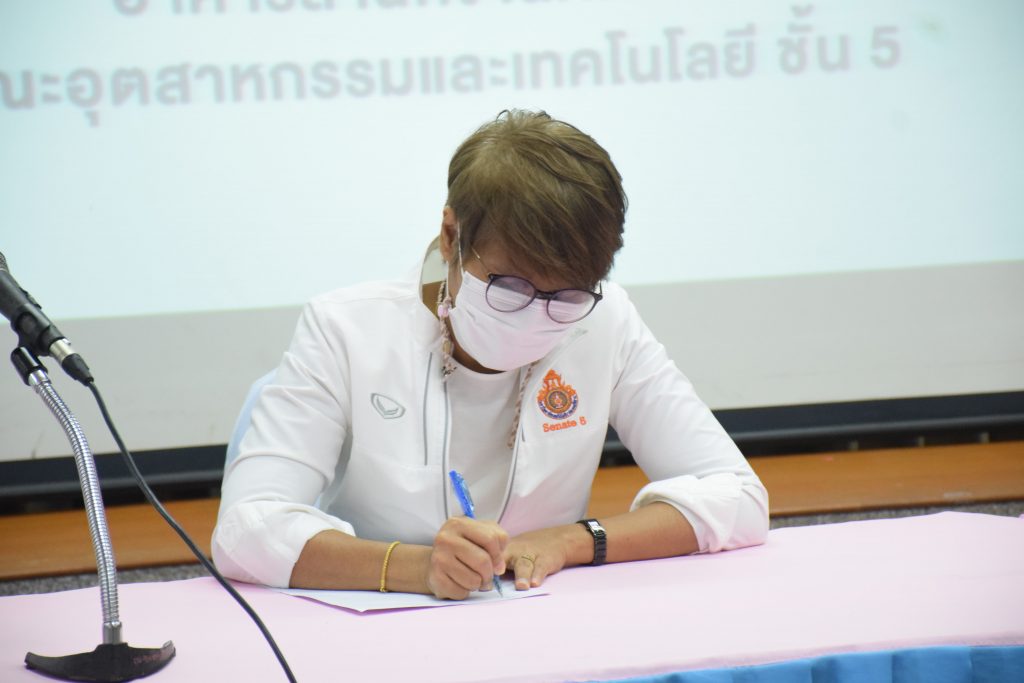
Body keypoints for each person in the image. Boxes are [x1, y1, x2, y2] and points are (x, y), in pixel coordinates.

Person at [212, 110, 769, 600]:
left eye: (566, 295)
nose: (537, 316)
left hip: (541, 617)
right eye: (509, 287)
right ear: (451, 236)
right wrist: (415, 567)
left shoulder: (606, 321)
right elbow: (245, 531)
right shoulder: (347, 329)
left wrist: (572, 541)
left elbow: (739, 498)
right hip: (382, 623)